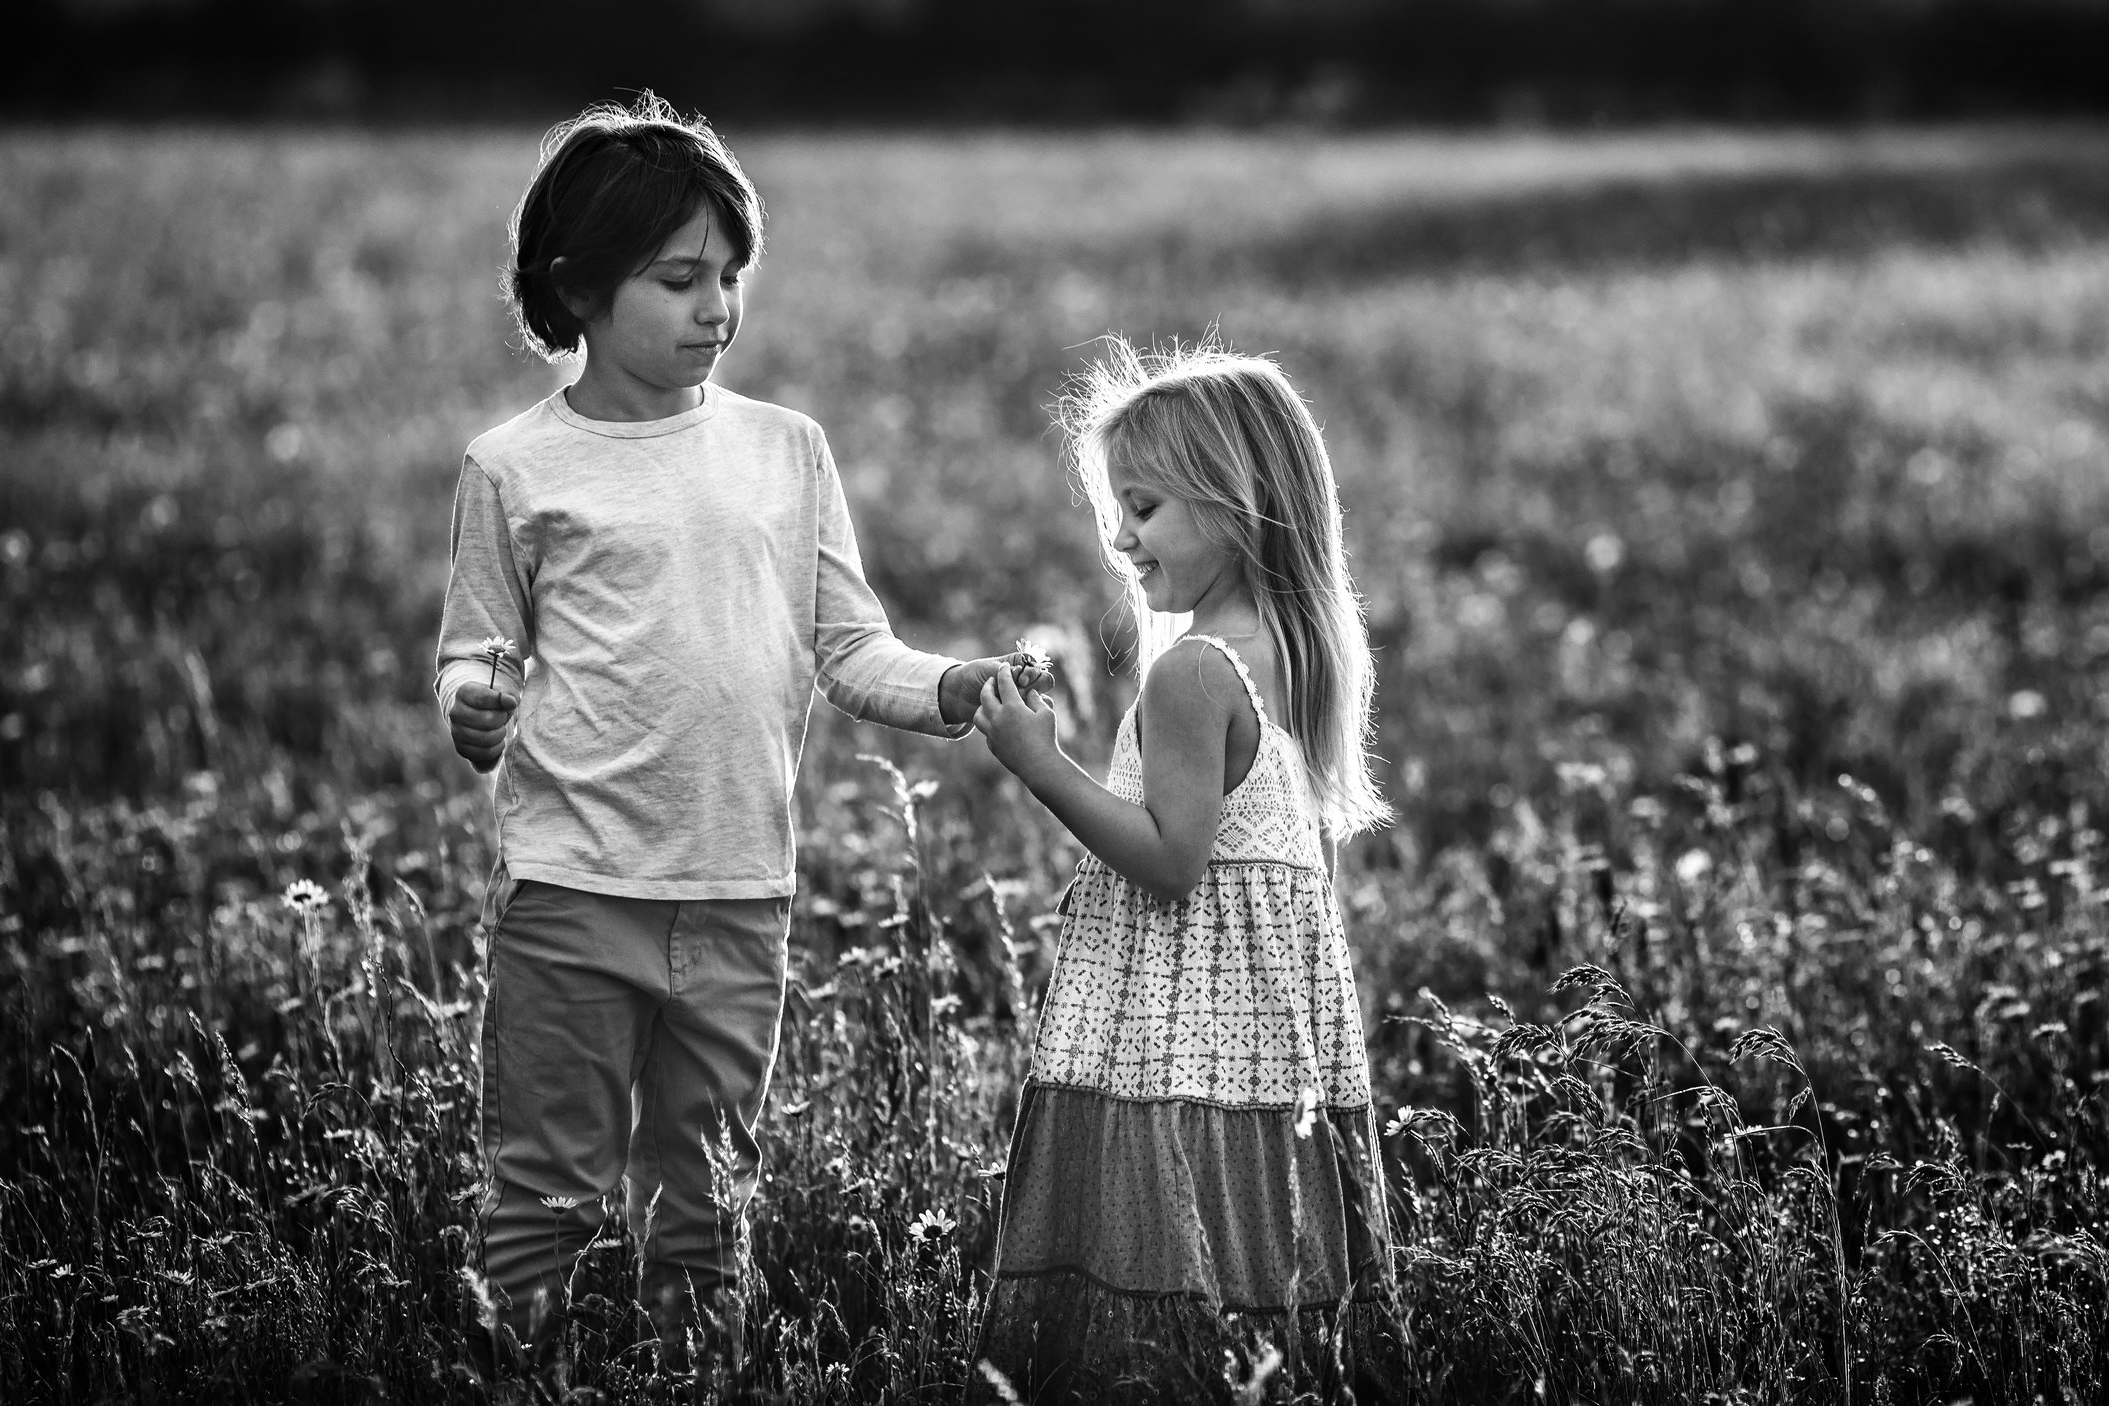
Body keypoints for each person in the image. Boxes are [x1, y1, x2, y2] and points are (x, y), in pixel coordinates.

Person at [432, 93, 1038, 1384]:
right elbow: (477, 645)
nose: (719, 306)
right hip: (573, 886)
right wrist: (472, 703)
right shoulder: (514, 466)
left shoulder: (785, 450)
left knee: (704, 1187)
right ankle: (507, 1367)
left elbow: (851, 646)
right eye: (679, 279)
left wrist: (956, 684)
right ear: (579, 290)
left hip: (738, 892)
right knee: (542, 1181)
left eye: (730, 276)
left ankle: (691, 1372)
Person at [968, 340, 1407, 1403]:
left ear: (1235, 502)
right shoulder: (1298, 649)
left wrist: (1041, 764)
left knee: (1164, 1238)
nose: (1120, 536)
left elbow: (1171, 859)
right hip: (1273, 1026)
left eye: (1146, 506)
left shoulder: (1191, 671)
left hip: (1177, 1018)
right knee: (1259, 1242)